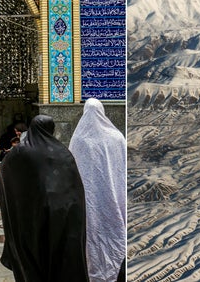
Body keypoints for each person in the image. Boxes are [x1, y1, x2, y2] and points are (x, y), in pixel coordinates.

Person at [0, 115, 89, 281]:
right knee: (60, 262)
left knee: (32, 261)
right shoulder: (62, 153)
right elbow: (75, 191)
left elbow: (5, 179)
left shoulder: (19, 152)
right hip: (61, 218)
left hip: (29, 218)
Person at [69, 98, 127, 282]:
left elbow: (71, 170)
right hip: (114, 197)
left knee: (91, 237)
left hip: (88, 200)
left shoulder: (79, 139)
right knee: (112, 231)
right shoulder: (117, 137)